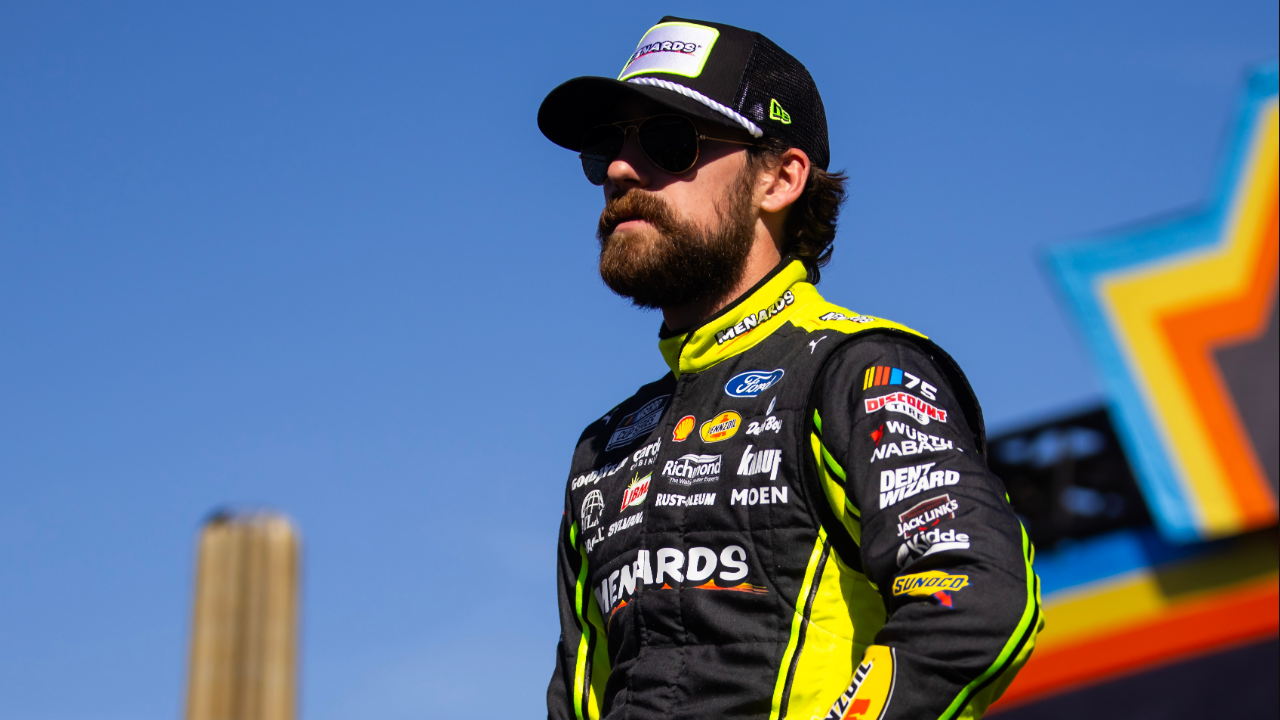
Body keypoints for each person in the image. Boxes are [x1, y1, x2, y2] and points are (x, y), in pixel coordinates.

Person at [537, 17, 1042, 720]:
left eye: (666, 140)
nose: (622, 168)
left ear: (779, 178)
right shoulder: (604, 448)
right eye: (606, 146)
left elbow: (976, 599)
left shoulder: (856, 371)